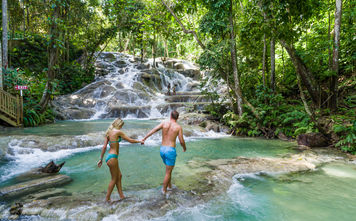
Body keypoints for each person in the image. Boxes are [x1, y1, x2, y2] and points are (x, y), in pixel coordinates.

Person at [97, 118, 143, 202]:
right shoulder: (118, 132)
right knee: (114, 179)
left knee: (119, 176)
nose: (121, 128)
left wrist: (101, 159)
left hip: (109, 157)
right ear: (119, 125)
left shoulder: (109, 133)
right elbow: (130, 140)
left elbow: (104, 147)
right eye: (121, 126)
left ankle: (121, 196)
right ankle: (107, 198)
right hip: (113, 157)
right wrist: (140, 141)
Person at [142, 110, 187, 194]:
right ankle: (164, 191)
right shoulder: (178, 127)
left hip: (162, 149)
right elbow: (181, 141)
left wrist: (144, 138)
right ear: (177, 118)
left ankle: (170, 186)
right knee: (168, 172)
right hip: (170, 150)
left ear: (170, 116)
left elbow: (154, 130)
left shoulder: (164, 123)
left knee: (168, 170)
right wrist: (184, 147)